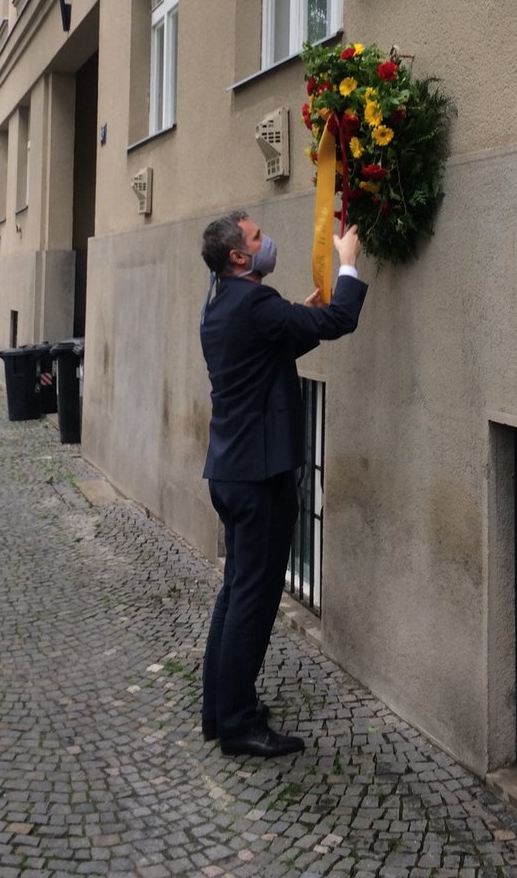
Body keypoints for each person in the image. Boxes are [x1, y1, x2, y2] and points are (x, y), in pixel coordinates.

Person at [198, 210, 367, 757]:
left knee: (236, 591)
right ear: (240, 258)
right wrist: (348, 264)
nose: (266, 240)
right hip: (258, 474)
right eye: (256, 237)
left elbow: (271, 348)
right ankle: (239, 725)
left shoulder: (221, 302)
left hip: (231, 469)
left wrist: (299, 317)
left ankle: (219, 709)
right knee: (254, 595)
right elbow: (340, 320)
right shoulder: (255, 303)